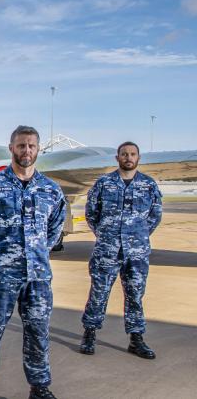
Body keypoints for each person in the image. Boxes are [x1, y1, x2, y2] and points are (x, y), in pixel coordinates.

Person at [0, 125, 66, 399]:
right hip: (0, 277)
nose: (27, 150)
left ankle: (39, 387)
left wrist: (36, 251)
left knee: (38, 333)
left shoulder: (51, 191)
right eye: (21, 145)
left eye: (31, 145)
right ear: (11, 148)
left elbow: (54, 229)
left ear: (38, 149)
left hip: (38, 278)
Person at [79, 141, 162, 359]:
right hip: (107, 249)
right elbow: (91, 214)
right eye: (124, 154)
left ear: (138, 158)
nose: (128, 157)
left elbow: (155, 216)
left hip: (136, 252)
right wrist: (106, 235)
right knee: (99, 293)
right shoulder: (104, 183)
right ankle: (89, 333)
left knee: (135, 294)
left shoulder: (148, 185)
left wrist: (139, 235)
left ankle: (136, 339)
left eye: (132, 154)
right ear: (117, 158)